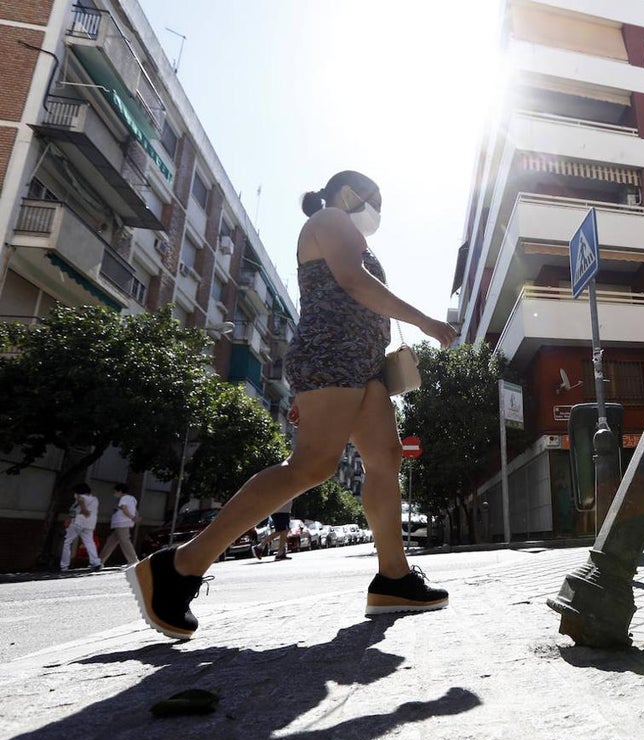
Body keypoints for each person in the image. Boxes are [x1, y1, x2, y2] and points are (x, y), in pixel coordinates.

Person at [126, 170, 458, 640]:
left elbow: (344, 298)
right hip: (333, 356)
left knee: (384, 459)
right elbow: (353, 283)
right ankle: (177, 567)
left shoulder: (342, 228)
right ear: (347, 194)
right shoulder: (331, 217)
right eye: (374, 200)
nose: (377, 212)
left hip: (358, 366)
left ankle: (394, 579)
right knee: (311, 466)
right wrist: (424, 321)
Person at [61, 483, 101, 571]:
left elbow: (80, 501)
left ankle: (64, 565)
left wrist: (84, 510)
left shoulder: (80, 497)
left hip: (78, 522)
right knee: (89, 542)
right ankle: (96, 562)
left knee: (67, 542)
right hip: (90, 524)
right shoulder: (95, 499)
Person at [97, 483, 139, 567]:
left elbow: (124, 508)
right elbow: (134, 510)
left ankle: (133, 561)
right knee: (110, 542)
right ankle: (99, 561)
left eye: (115, 491)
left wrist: (132, 517)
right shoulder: (132, 499)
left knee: (124, 541)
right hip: (123, 523)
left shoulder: (124, 498)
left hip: (121, 523)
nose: (114, 493)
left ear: (120, 491)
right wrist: (134, 517)